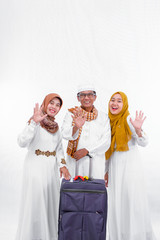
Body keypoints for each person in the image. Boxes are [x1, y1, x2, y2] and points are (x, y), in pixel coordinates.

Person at [15, 93, 71, 240]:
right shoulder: (35, 121)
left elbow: (59, 149)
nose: (54, 107)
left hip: (51, 170)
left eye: (57, 105)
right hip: (35, 166)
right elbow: (22, 142)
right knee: (36, 202)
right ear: (45, 104)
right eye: (51, 103)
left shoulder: (56, 127)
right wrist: (33, 122)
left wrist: (63, 166)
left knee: (50, 203)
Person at [105, 91, 156, 240]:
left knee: (131, 200)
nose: (115, 103)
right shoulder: (109, 122)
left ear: (125, 104)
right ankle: (119, 235)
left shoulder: (128, 120)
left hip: (130, 168)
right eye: (112, 100)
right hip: (115, 168)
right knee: (117, 202)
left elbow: (144, 142)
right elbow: (109, 150)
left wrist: (139, 130)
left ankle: (134, 235)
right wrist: (106, 171)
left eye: (119, 101)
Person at [61, 83, 111, 179]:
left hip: (95, 162)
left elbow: (106, 141)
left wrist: (87, 151)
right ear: (78, 98)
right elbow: (64, 133)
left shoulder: (103, 117)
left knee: (94, 192)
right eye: (83, 95)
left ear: (95, 97)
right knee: (75, 192)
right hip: (75, 162)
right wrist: (76, 126)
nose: (86, 98)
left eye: (90, 95)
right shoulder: (72, 113)